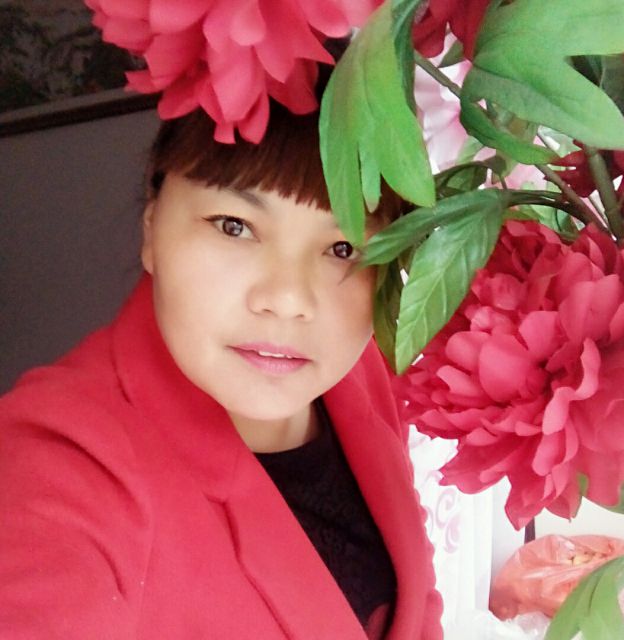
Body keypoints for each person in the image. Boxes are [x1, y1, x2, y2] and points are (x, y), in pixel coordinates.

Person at [0, 52, 443, 640]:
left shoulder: (359, 370)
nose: (288, 299)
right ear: (151, 226)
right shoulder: (62, 464)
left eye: (343, 249)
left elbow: (415, 600)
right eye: (235, 226)